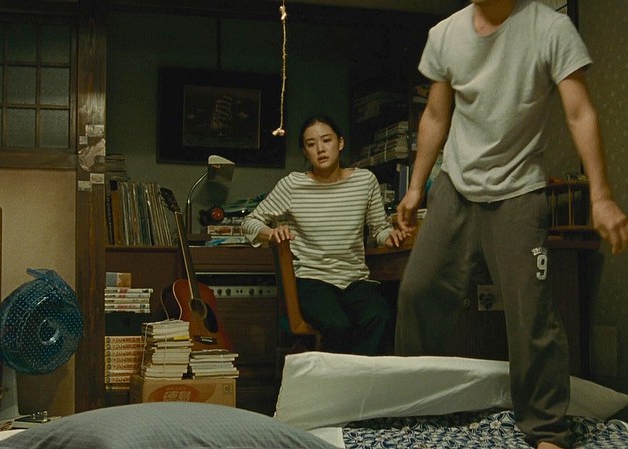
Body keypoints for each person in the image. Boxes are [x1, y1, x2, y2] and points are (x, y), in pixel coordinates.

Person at [394, 1, 628, 448]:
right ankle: (411, 407)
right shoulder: (445, 34)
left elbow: (579, 112)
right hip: (456, 188)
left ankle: (547, 430)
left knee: (531, 313)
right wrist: (415, 187)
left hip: (520, 191)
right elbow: (436, 115)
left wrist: (600, 196)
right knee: (417, 293)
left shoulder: (551, 28)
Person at [243, 114, 407, 355]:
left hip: (354, 279)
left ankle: (357, 376)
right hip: (311, 279)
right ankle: (334, 377)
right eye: (311, 144)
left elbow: (379, 229)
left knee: (379, 316)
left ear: (340, 143)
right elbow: (249, 222)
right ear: (305, 152)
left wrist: (389, 236)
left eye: (326, 140)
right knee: (337, 325)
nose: (320, 149)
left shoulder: (364, 181)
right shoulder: (293, 185)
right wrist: (272, 233)